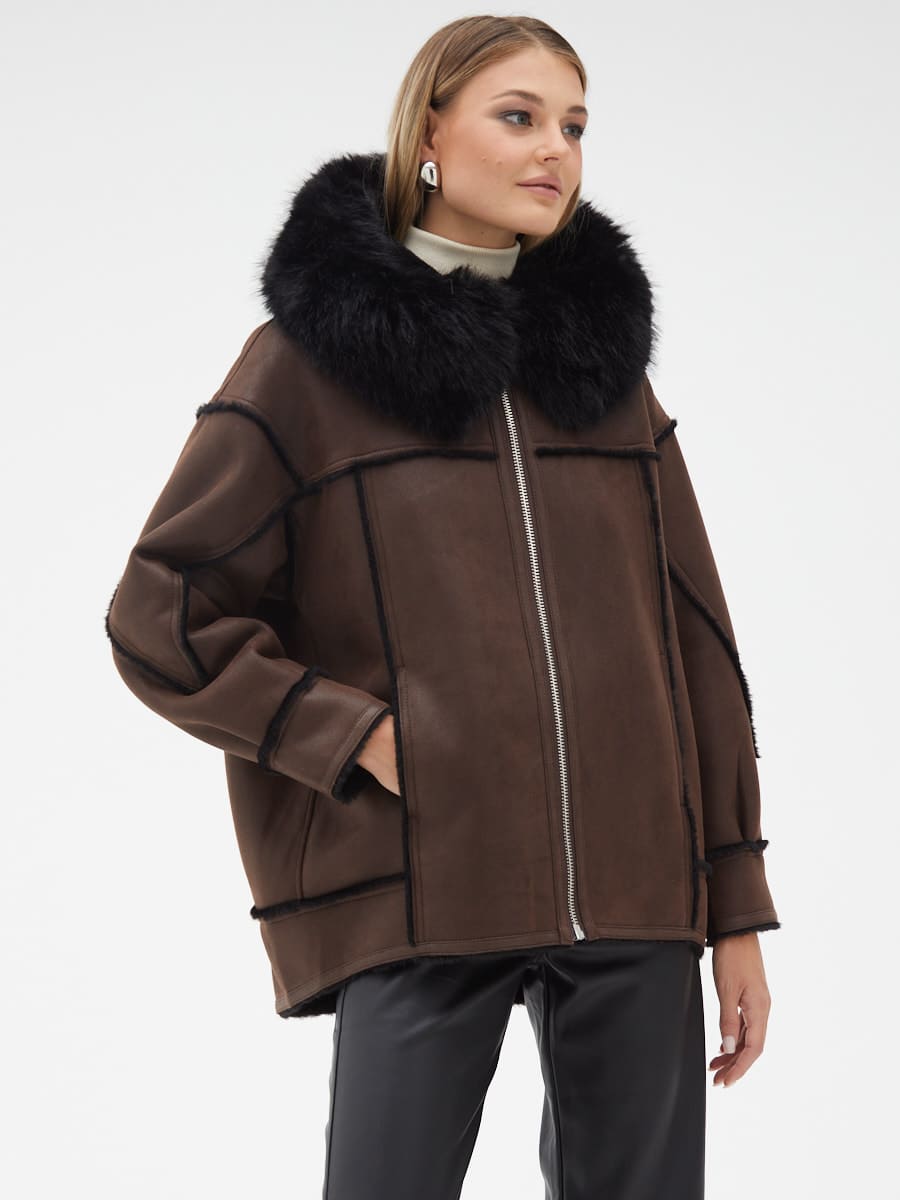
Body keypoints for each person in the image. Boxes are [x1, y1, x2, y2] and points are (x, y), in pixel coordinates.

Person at [105, 14, 781, 1199]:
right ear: (428, 134)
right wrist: (349, 735)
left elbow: (695, 645)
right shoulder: (306, 364)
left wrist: (733, 907)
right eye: (519, 117)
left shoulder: (605, 375)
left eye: (574, 126)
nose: (555, 150)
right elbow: (163, 610)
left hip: (637, 892)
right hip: (419, 882)